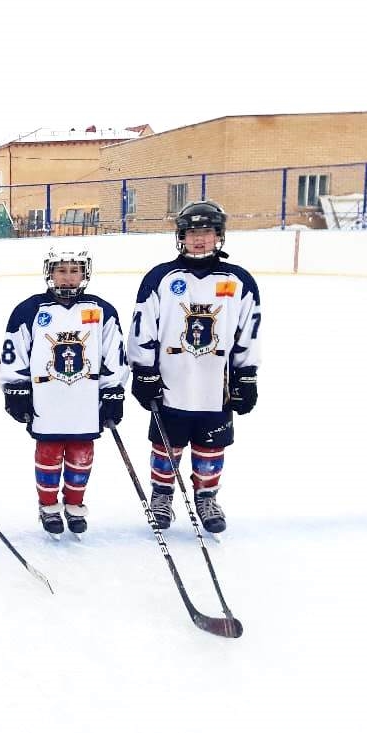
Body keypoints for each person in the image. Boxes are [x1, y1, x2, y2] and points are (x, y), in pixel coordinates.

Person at [128, 200, 261, 534]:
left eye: (207, 231)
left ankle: (206, 497)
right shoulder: (161, 277)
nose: (199, 239)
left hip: (216, 386)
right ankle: (162, 495)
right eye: (192, 232)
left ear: (219, 235)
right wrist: (143, 371)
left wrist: (246, 375)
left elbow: (248, 331)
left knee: (211, 446)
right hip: (171, 382)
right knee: (166, 445)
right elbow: (143, 327)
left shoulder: (239, 280)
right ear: (181, 236)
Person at [0, 249, 128, 535]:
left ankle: (74, 504)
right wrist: (15, 388)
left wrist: (113, 391)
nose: (68, 277)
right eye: (61, 270)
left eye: (74, 270)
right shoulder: (30, 309)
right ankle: (48, 506)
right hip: (47, 399)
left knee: (82, 450)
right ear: (50, 273)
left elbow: (114, 354)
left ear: (84, 273)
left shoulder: (101, 310)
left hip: (85, 400)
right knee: (49, 450)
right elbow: (14, 352)